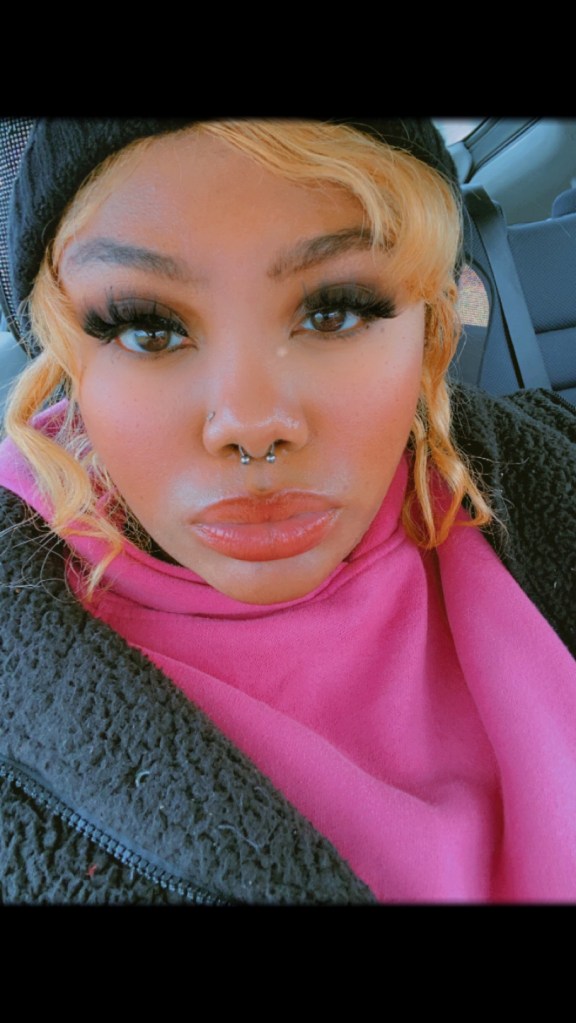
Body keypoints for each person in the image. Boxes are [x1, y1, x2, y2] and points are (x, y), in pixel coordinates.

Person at [0, 117, 574, 906]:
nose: (250, 423)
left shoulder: (545, 467)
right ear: (68, 357)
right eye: (147, 327)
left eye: (335, 311)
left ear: (430, 323)